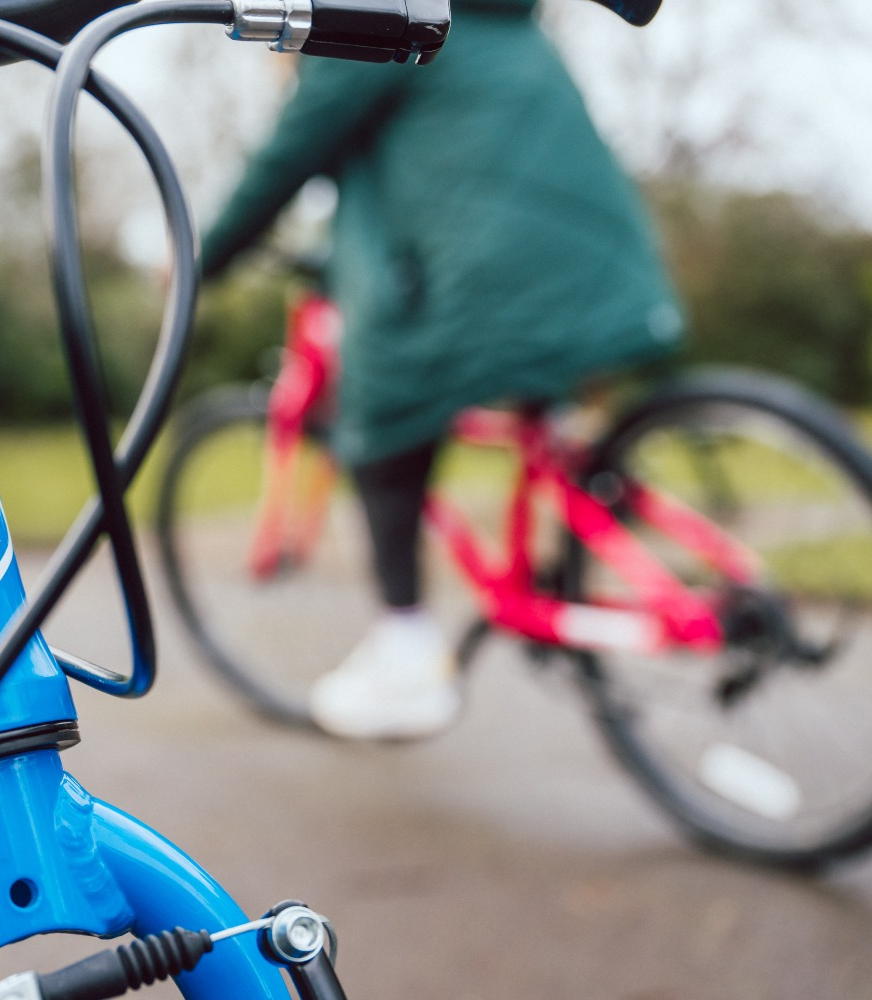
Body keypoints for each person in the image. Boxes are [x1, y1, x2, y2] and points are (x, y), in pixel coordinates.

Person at [200, 0, 683, 740]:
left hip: (489, 284)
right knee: (533, 397)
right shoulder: (505, 23)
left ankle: (405, 652)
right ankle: (563, 534)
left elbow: (287, 157)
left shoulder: (369, 19)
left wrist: (203, 257)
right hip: (599, 269)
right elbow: (447, 180)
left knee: (383, 412)